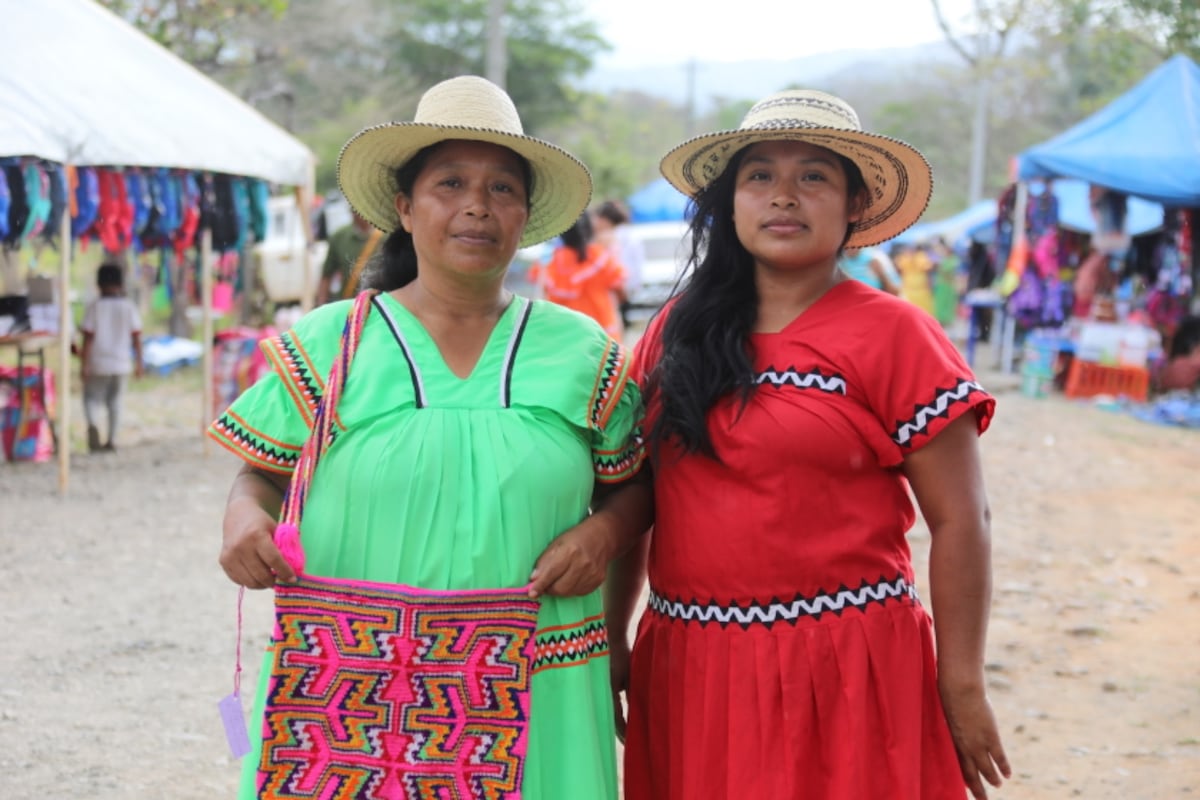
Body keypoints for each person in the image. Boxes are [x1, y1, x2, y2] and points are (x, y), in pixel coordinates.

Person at [208, 75, 652, 799]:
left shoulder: (581, 351)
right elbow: (259, 475)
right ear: (406, 209)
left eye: (503, 189)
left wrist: (602, 536)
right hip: (353, 689)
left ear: (525, 216)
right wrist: (241, 516)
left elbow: (633, 484)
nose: (478, 205)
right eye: (451, 183)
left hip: (539, 672)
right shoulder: (331, 343)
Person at [610, 89, 1011, 800]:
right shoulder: (677, 331)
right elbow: (635, 493)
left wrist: (963, 682)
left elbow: (961, 519)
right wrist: (613, 635)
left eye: (813, 177)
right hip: (692, 664)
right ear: (730, 202)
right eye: (759, 176)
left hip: (847, 668)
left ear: (856, 203)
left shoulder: (897, 335)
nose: (783, 197)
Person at [529, 211, 628, 339]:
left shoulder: (550, 260)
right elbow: (620, 290)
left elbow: (541, 291)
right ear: (589, 229)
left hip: (565, 336)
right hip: (602, 335)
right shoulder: (600, 257)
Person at [80, 262, 143, 452]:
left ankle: (93, 423)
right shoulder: (128, 307)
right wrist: (140, 363)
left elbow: (88, 338)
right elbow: (137, 338)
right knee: (115, 402)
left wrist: (84, 364)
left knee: (91, 399)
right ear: (121, 283)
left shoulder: (95, 306)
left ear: (99, 283)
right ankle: (112, 439)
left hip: (98, 362)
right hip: (121, 363)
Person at [592, 199, 645, 328]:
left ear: (604, 219)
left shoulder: (606, 238)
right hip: (624, 286)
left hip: (613, 289)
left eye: (597, 218)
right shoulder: (630, 235)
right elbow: (637, 264)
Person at [315, 207, 380, 304]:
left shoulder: (386, 236)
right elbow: (326, 276)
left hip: (379, 305)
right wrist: (321, 307)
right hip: (349, 305)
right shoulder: (339, 237)